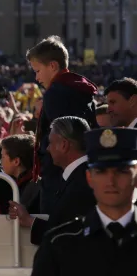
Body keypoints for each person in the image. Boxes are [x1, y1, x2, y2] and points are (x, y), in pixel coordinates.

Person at [25, 127, 137, 276]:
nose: (110, 181)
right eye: (101, 171)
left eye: (121, 171)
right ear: (89, 178)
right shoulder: (59, 244)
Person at [26, 36, 98, 213]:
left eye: (37, 71)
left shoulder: (55, 93)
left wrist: (45, 151)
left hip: (59, 172)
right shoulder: (80, 89)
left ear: (52, 66)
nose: (37, 78)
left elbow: (60, 135)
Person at [9, 117, 96, 245]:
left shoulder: (83, 181)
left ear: (64, 145)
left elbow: (72, 235)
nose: (48, 148)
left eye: (50, 142)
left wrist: (30, 221)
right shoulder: (79, 175)